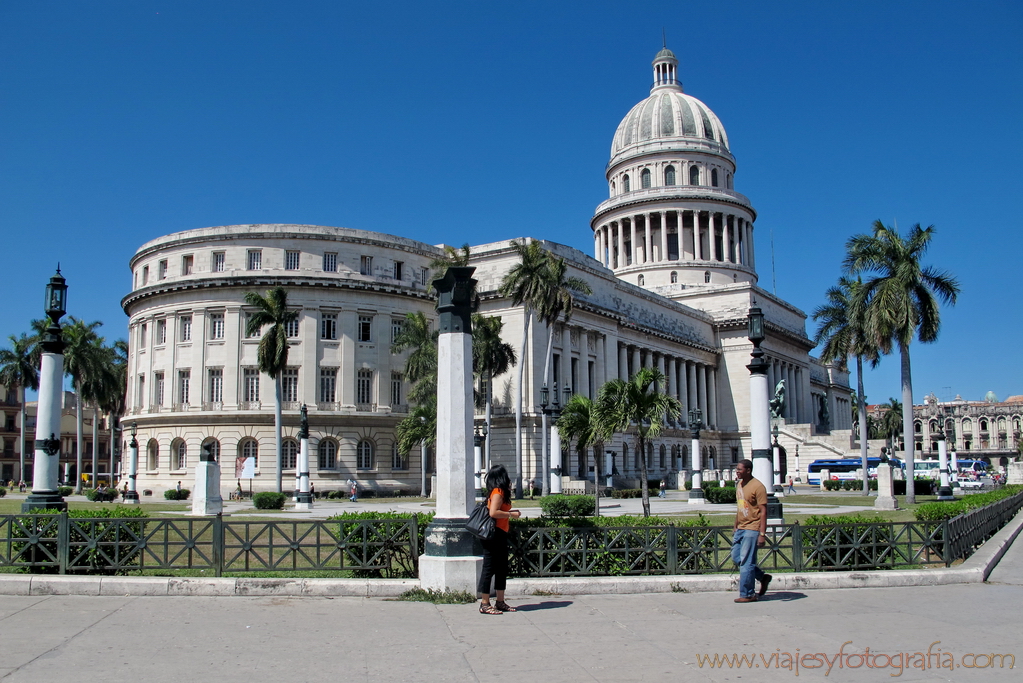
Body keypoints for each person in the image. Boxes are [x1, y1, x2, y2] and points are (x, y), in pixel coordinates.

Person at [478, 464, 521, 615]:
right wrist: (511, 514)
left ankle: (500, 601)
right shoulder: (497, 492)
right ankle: (484, 603)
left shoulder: (500, 491)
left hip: (501, 532)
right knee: (489, 567)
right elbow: (493, 513)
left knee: (501, 567)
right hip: (493, 534)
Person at [731, 459, 771, 603]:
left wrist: (762, 534)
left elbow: (763, 511)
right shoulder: (740, 484)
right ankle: (762, 577)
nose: (737, 471)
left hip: (752, 528)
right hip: (741, 528)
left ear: (748, 470)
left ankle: (748, 594)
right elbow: (741, 506)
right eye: (737, 469)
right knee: (736, 557)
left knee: (747, 562)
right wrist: (736, 524)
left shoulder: (758, 486)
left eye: (739, 469)